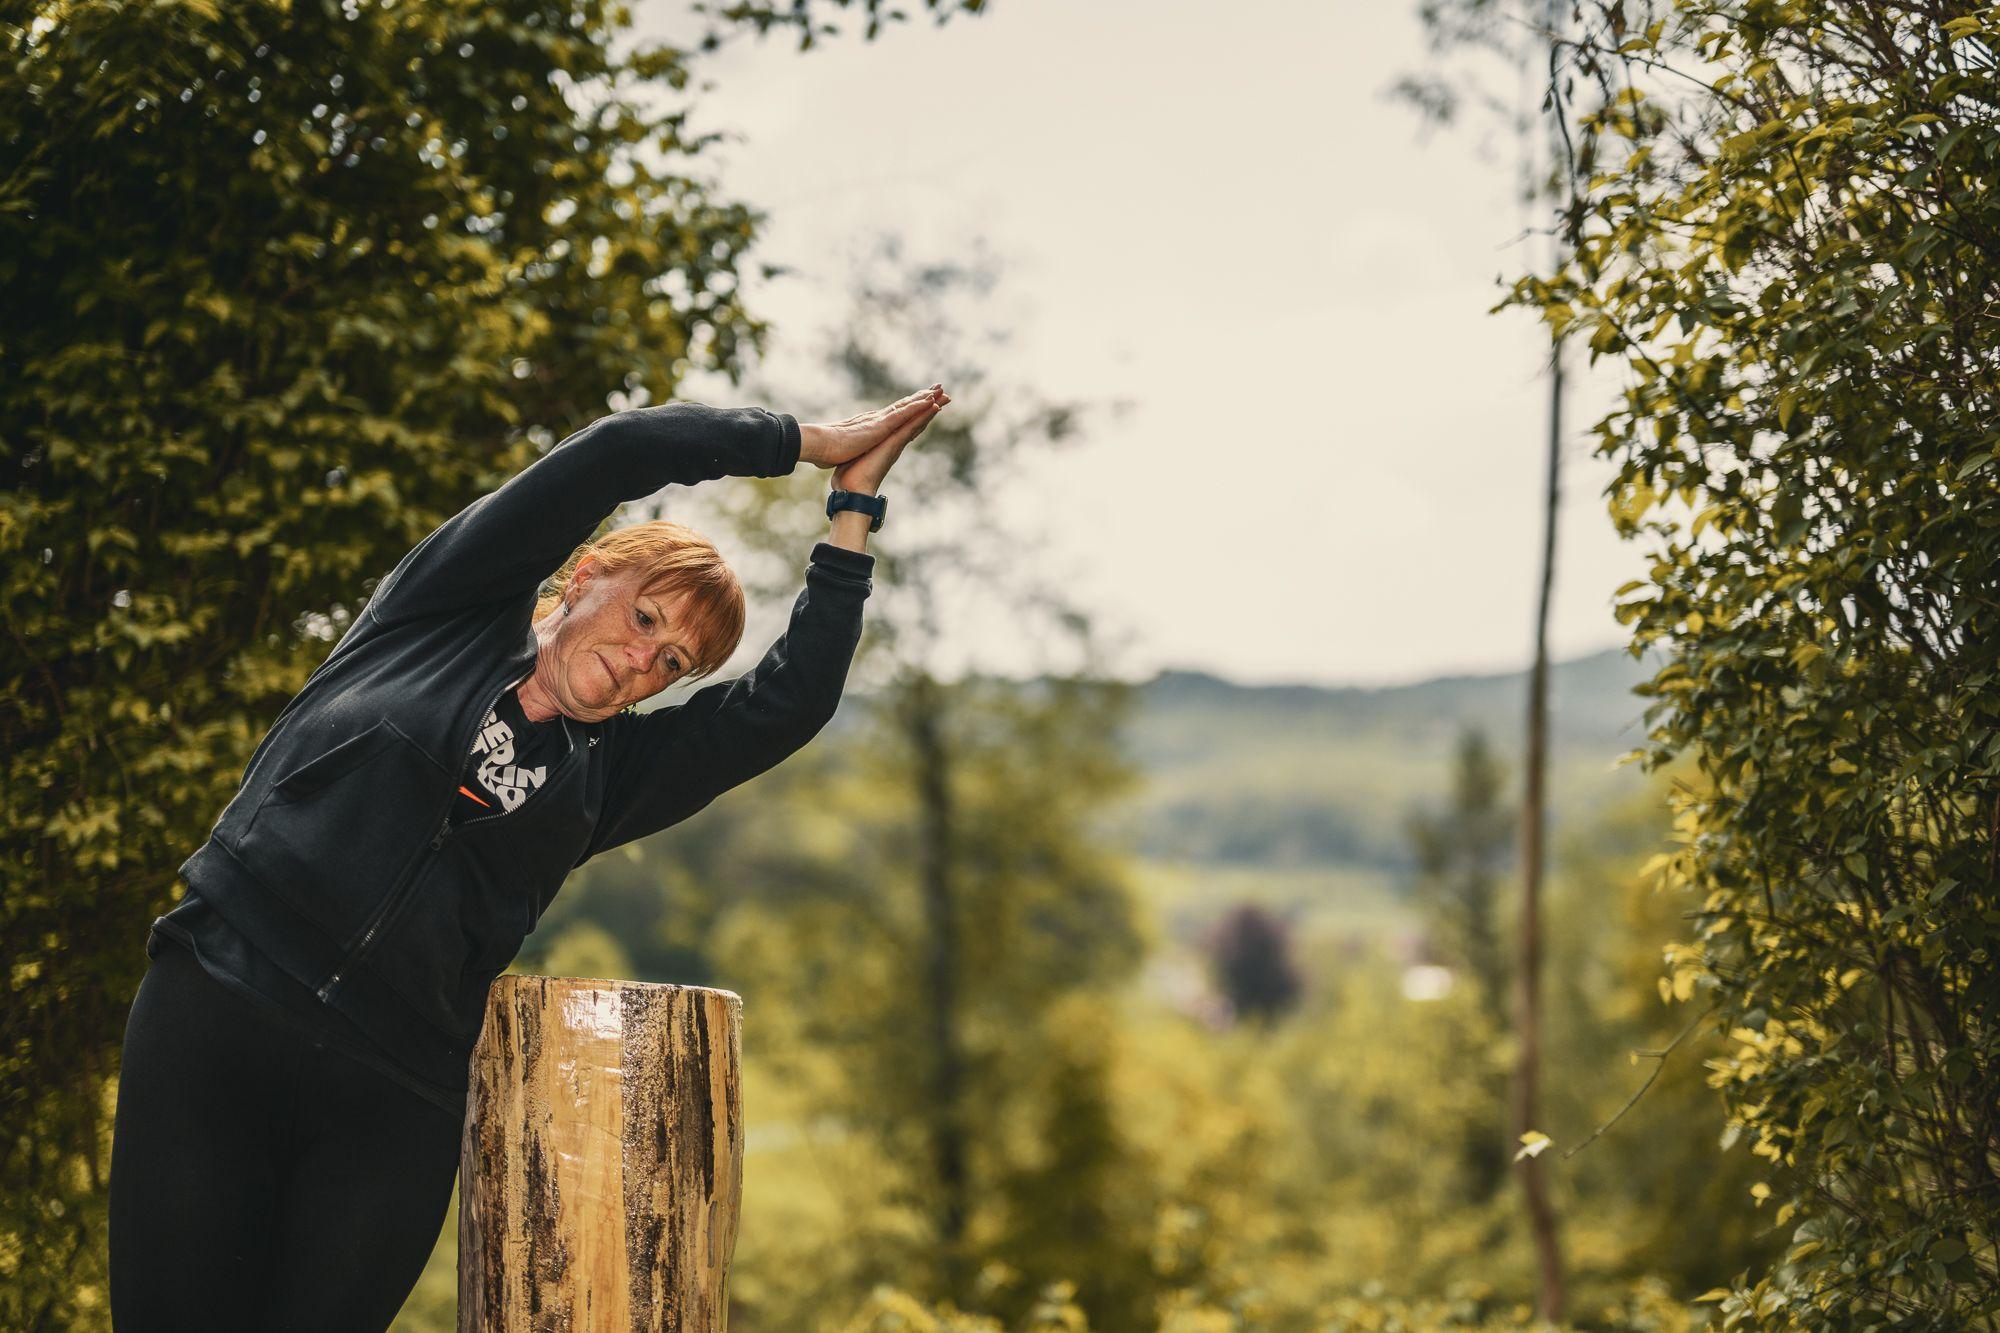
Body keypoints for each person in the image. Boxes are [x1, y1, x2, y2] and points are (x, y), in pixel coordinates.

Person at [107, 385, 949, 1330]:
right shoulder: (442, 617)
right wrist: (805, 442)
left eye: (674, 663)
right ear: (585, 576)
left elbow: (790, 702)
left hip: (392, 1094)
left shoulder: (610, 778)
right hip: (220, 1007)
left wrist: (854, 506)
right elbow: (618, 450)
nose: (647, 661)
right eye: (645, 620)